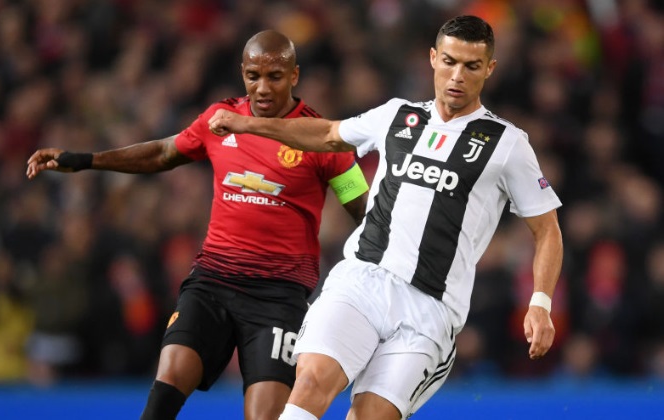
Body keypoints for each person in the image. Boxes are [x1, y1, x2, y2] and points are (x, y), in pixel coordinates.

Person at [209, 15, 563, 420]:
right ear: (433, 58)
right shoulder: (397, 116)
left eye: (471, 66)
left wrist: (540, 303)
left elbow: (547, 230)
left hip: (429, 311)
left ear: (489, 69)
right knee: (310, 383)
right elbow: (327, 134)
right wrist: (250, 125)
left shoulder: (508, 144)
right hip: (362, 281)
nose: (457, 76)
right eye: (449, 61)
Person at [26, 30, 369, 420]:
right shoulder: (219, 120)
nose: (262, 87)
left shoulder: (322, 138)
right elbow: (162, 153)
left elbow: (365, 211)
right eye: (253, 75)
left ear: (294, 76)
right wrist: (86, 160)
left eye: (274, 76)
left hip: (278, 297)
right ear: (242, 73)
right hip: (213, 281)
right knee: (168, 383)